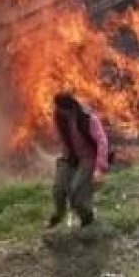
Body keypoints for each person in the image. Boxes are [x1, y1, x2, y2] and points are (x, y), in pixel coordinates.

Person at [48, 93, 109, 228]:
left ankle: (87, 218)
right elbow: (64, 139)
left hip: (88, 157)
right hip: (70, 156)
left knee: (76, 193)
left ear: (70, 109)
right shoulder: (59, 117)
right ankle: (58, 214)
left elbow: (102, 142)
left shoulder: (87, 119)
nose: (59, 112)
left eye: (62, 110)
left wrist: (99, 168)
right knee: (58, 189)